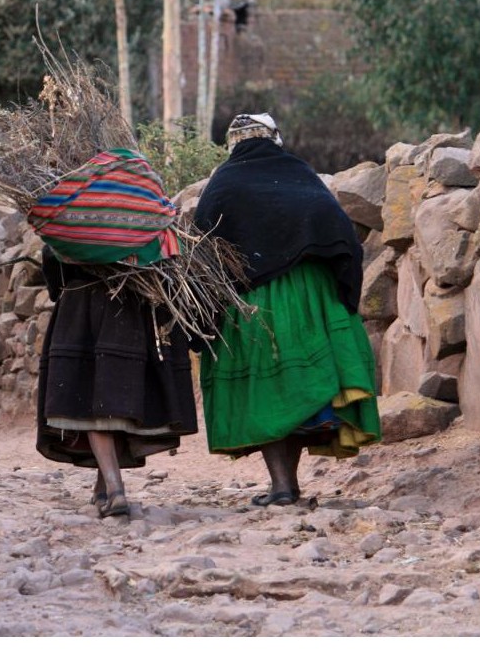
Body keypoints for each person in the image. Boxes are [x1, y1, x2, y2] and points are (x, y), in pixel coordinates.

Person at [193, 113, 381, 507]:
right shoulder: (299, 173)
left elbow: (201, 248)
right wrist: (344, 291)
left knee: (269, 393)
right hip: (311, 295)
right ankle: (288, 485)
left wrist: (205, 320)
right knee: (299, 389)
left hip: (252, 306)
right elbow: (340, 231)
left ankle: (282, 486)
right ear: (275, 138)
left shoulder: (223, 183)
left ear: (233, 143)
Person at [31, 149, 199, 518]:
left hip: (80, 314)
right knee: (116, 400)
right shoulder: (149, 211)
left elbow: (53, 268)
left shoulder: (72, 217)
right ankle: (103, 486)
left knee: (94, 407)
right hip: (134, 314)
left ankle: (117, 491)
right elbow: (169, 264)